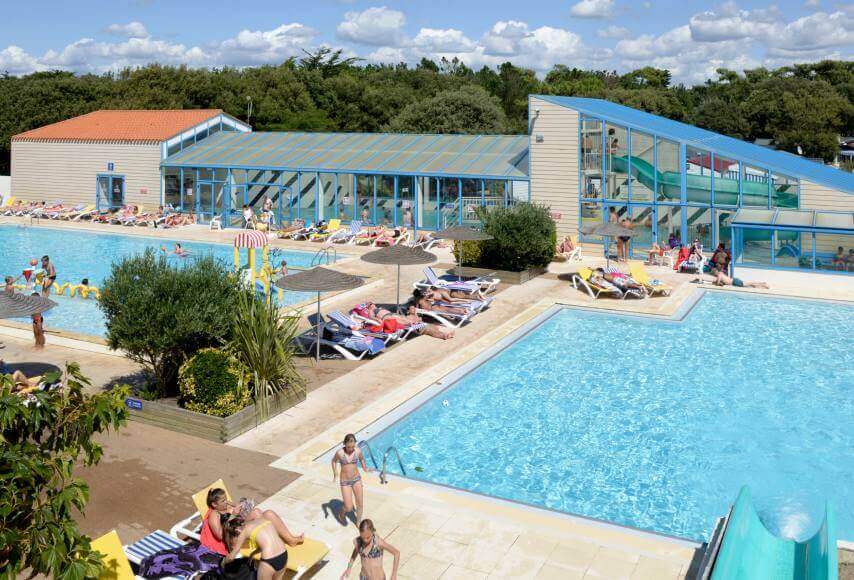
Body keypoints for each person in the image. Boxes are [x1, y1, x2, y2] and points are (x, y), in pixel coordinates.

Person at [224, 516, 288, 580]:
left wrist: (222, 563)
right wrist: (253, 554)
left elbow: (231, 557)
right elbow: (267, 542)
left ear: (237, 530)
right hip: (283, 554)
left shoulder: (244, 531)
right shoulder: (263, 519)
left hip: (269, 559)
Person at [332, 434, 369, 526]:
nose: (351, 449)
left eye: (353, 446)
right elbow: (333, 461)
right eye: (348, 447)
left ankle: (358, 521)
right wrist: (335, 473)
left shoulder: (357, 451)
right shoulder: (340, 453)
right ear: (344, 444)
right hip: (345, 482)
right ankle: (342, 512)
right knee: (349, 507)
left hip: (356, 479)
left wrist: (365, 468)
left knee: (360, 503)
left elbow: (362, 459)